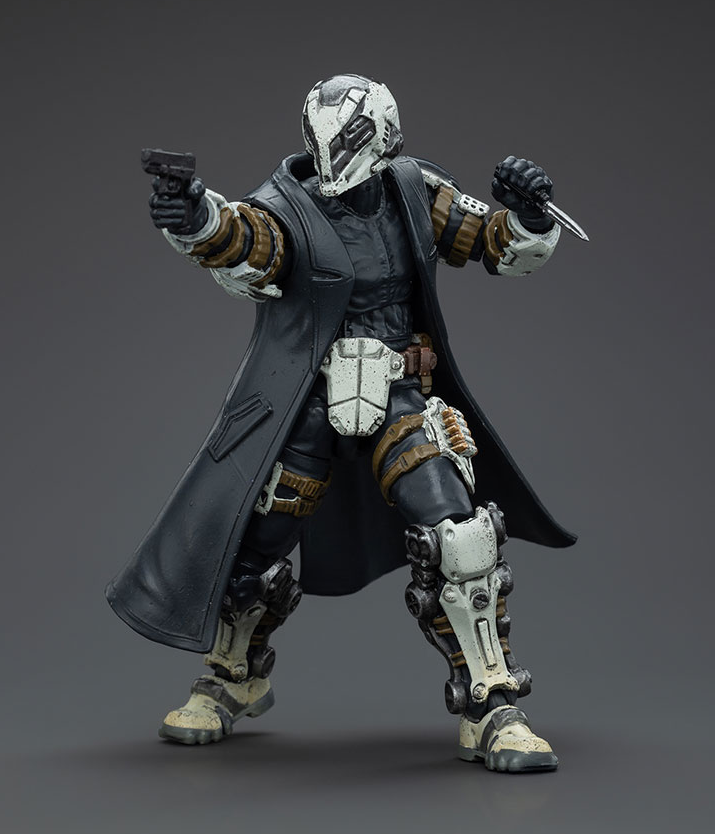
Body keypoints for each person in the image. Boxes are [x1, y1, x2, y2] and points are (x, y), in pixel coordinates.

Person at [106, 73, 576, 771]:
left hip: (401, 392)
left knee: (461, 536)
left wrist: (531, 214)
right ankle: (233, 677)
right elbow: (246, 239)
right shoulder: (289, 207)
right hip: (312, 398)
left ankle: (492, 704)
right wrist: (195, 215)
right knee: (252, 539)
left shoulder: (414, 192)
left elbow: (492, 241)